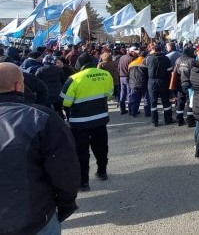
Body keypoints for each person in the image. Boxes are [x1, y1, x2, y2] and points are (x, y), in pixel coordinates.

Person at [0, 63, 81, 235]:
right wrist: (66, 204)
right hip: (35, 219)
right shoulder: (41, 118)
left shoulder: (40, 118)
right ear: (18, 85)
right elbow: (65, 168)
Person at [60, 53, 114, 192]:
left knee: (81, 152)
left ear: (79, 65)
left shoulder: (74, 78)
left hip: (79, 122)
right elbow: (109, 94)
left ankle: (84, 182)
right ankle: (102, 172)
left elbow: (65, 101)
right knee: (101, 147)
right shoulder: (105, 74)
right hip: (100, 118)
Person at [146, 43, 174, 127]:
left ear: (153, 50)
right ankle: (168, 120)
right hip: (163, 82)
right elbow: (170, 72)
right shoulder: (166, 59)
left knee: (153, 103)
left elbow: (145, 70)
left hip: (152, 83)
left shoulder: (148, 59)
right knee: (166, 102)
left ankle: (154, 121)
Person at [36, 54, 67, 120]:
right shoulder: (59, 69)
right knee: (58, 108)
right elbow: (63, 80)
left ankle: (50, 121)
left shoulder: (41, 70)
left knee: (47, 110)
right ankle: (61, 121)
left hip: (46, 92)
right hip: (58, 92)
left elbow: (36, 80)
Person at [175, 45, 197, 127]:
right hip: (190, 85)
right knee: (190, 102)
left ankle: (179, 120)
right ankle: (190, 121)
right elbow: (195, 74)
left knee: (180, 103)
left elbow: (176, 72)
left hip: (180, 84)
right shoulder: (192, 61)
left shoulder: (178, 60)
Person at [128, 51, 151, 118]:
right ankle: (147, 113)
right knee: (146, 99)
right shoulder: (146, 63)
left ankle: (133, 112)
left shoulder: (132, 63)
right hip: (144, 84)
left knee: (135, 99)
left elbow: (129, 73)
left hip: (134, 84)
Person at [117, 46, 137, 115]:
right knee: (130, 94)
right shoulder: (131, 59)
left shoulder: (122, 57)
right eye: (135, 52)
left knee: (123, 93)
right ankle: (131, 110)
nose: (136, 53)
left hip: (121, 77)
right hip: (128, 77)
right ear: (131, 51)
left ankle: (122, 109)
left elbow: (118, 67)